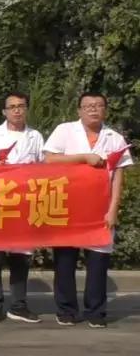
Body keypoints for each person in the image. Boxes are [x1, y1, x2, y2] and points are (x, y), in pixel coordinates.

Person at [43, 92, 132, 328]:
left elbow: (118, 176)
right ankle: (66, 310)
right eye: (88, 105)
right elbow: (49, 159)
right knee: (65, 261)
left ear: (105, 110)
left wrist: (113, 209)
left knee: (98, 261)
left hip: (100, 208)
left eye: (98, 105)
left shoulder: (114, 138)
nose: (93, 109)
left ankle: (96, 311)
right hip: (67, 205)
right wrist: (83, 157)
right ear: (79, 110)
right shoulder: (65, 130)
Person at [0, 91, 45, 323]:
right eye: (12, 106)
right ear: (4, 111)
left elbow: (45, 168)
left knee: (21, 258)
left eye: (21, 106)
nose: (17, 110)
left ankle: (19, 305)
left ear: (26, 109)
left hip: (24, 204)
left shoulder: (35, 136)